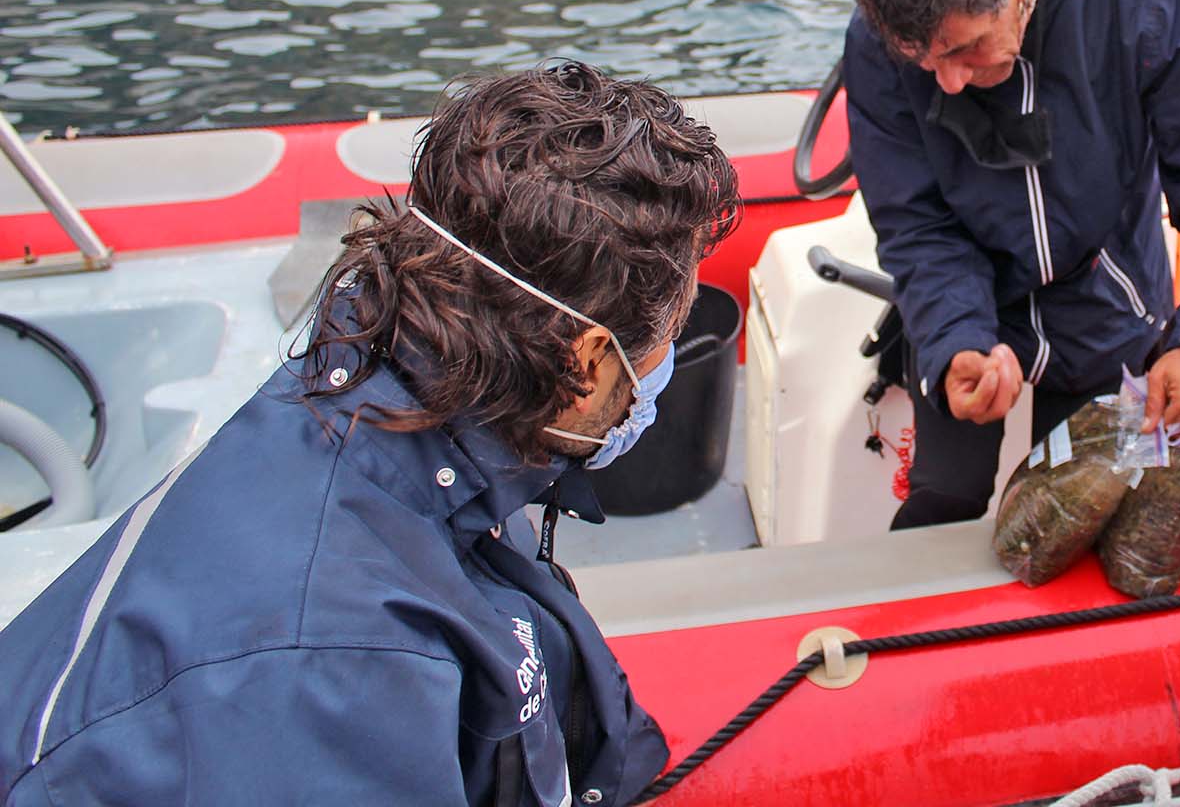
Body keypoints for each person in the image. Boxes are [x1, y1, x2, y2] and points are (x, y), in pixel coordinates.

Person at [0, 62, 739, 806]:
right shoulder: (329, 673)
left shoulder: (401, 409)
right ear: (587, 367)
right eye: (667, 334)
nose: (664, 361)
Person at [840, 0, 1180, 529]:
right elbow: (915, 221)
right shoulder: (877, 40)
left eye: (965, 50)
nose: (948, 82)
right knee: (943, 500)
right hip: (967, 296)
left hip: (1109, 296)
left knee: (1087, 521)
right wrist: (958, 339)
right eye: (925, 63)